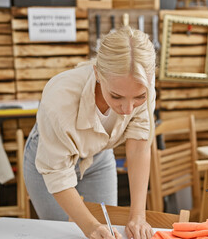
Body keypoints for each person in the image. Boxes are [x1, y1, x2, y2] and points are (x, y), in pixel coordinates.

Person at [23, 26, 156, 239]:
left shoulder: (143, 82)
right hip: (50, 162)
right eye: (117, 96)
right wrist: (90, 227)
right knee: (68, 234)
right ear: (97, 73)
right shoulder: (59, 97)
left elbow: (139, 147)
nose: (129, 109)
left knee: (108, 230)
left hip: (99, 156)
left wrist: (138, 215)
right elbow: (57, 173)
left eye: (138, 97)